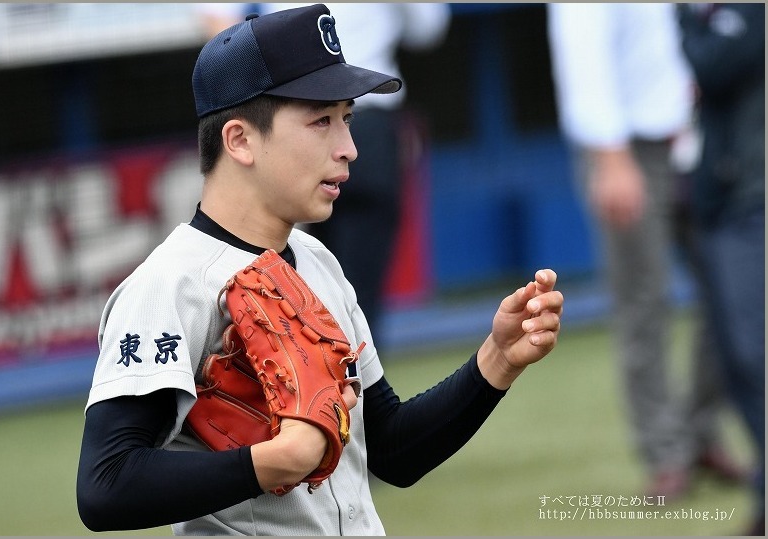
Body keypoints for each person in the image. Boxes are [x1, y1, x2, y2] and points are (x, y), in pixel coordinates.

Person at [76, 5, 564, 535]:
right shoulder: (168, 286)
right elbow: (105, 486)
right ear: (239, 140)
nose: (349, 148)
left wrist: (496, 359)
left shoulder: (317, 262)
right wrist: (272, 461)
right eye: (321, 121)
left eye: (348, 119)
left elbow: (392, 449)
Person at [546, 3, 744, 501]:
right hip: (629, 147)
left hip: (698, 135)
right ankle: (666, 453)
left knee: (736, 287)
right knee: (644, 303)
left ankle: (699, 431)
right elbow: (582, 55)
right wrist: (611, 160)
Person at [194, 2, 451, 348]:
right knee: (315, 283)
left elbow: (220, 26)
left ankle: (347, 389)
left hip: (325, 110)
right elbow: (428, 27)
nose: (347, 151)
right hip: (295, 113)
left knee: (330, 291)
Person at [676, 3, 765, 534]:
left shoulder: (746, 11)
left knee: (754, 352)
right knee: (735, 359)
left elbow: (714, 64)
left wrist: (686, 20)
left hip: (750, 199)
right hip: (715, 199)